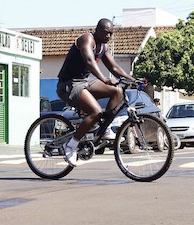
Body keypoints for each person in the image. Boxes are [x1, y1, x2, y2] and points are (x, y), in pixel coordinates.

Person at [56, 18, 136, 166]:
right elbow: (89, 61)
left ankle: (103, 129)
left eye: (111, 34)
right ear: (97, 29)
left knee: (116, 91)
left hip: (84, 82)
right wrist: (104, 79)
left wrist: (133, 79)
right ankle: (71, 145)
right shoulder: (87, 39)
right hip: (68, 84)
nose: (108, 37)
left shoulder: (103, 47)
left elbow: (115, 68)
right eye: (105, 33)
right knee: (96, 111)